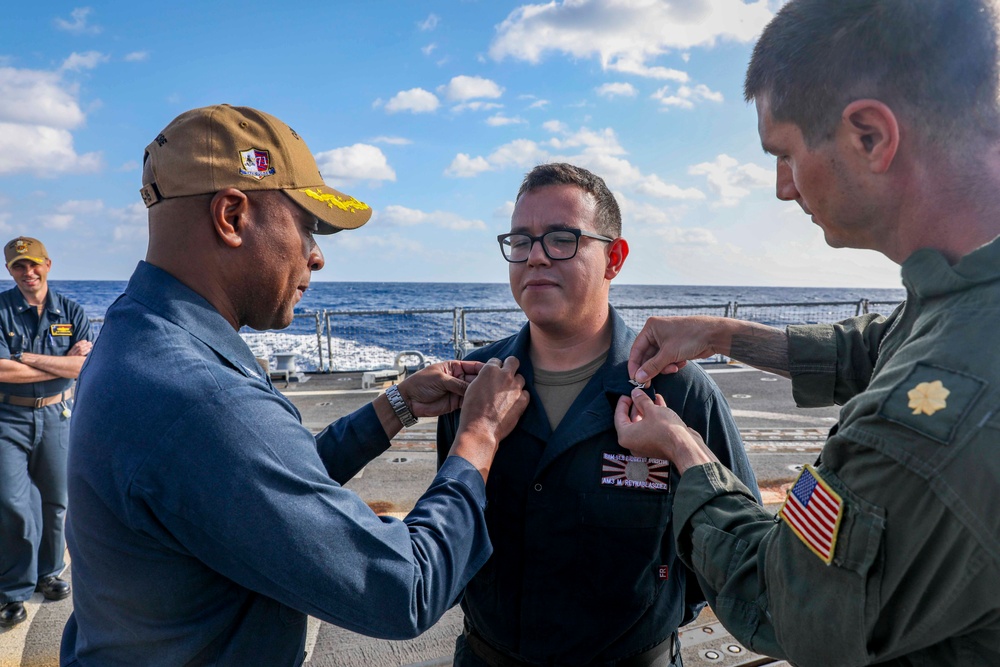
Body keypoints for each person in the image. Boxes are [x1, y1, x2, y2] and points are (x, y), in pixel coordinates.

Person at [60, 104, 529, 665]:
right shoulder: (203, 399)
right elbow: (404, 588)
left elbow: (259, 489)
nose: (317, 255)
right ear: (231, 216)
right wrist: (478, 437)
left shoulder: (139, 336)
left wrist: (396, 406)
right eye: (306, 225)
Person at [614, 1, 1000, 665]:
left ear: (870, 137)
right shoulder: (966, 294)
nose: (782, 188)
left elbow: (785, 602)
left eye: (785, 153)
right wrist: (723, 334)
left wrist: (686, 455)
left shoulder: (931, 425)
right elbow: (882, 346)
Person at [437, 163, 759, 666]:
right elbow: (452, 524)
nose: (536, 257)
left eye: (562, 239)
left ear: (615, 258)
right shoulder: (475, 385)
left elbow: (735, 545)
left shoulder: (678, 392)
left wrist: (655, 618)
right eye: (521, 241)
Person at [0, 237, 92, 628]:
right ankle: (13, 589)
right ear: (10, 271)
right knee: (12, 504)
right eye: (19, 266)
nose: (28, 273)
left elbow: (84, 368)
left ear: (48, 265)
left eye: (34, 265)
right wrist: (59, 364)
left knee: (56, 502)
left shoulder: (70, 310)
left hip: (58, 415)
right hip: (8, 418)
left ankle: (49, 573)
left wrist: (25, 358)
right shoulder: (1, 311)